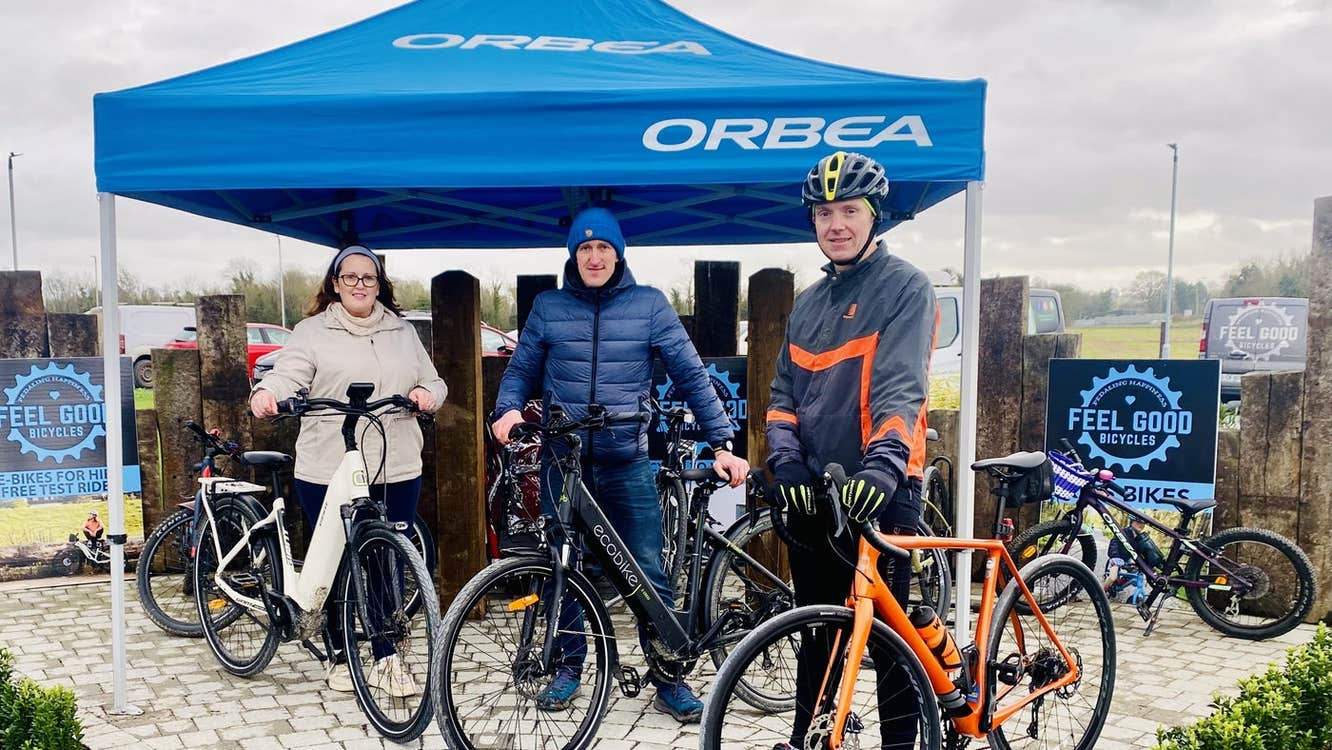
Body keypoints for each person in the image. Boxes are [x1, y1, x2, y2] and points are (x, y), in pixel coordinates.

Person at [491, 207, 749, 723]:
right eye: (584, 248)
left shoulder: (649, 305)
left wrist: (722, 440)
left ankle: (669, 677)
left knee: (648, 568)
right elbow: (520, 370)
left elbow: (692, 374)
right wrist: (507, 408)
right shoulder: (548, 306)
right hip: (562, 460)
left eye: (602, 248)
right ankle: (568, 667)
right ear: (572, 255)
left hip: (626, 459)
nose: (593, 257)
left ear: (618, 253)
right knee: (564, 563)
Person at [766, 151, 938, 749]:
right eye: (824, 213)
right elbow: (783, 393)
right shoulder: (809, 303)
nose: (835, 224)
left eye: (849, 211)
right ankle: (809, 741)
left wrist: (885, 465)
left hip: (883, 485)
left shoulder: (906, 287)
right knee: (818, 629)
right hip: (817, 488)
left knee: (889, 637)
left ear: (874, 216)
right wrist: (785, 461)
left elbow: (901, 388)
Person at [250, 244, 446, 696]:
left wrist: (425, 394)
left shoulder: (402, 331)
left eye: (368, 277)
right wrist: (268, 393)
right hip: (329, 464)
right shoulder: (312, 331)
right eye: (350, 277)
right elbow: (288, 375)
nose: (360, 285)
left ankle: (385, 653)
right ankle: (341, 654)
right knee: (339, 559)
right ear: (335, 283)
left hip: (396, 462)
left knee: (386, 558)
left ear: (380, 284)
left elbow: (433, 379)